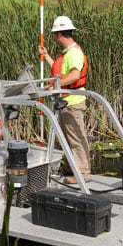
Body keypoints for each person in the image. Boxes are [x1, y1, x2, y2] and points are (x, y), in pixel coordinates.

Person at [38, 15, 91, 183]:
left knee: (76, 138)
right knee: (68, 139)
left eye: (55, 34)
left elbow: (74, 75)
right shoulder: (68, 54)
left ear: (59, 34)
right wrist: (46, 57)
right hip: (66, 102)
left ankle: (82, 174)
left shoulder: (74, 53)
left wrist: (55, 86)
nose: (54, 37)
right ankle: (71, 169)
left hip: (73, 103)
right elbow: (60, 72)